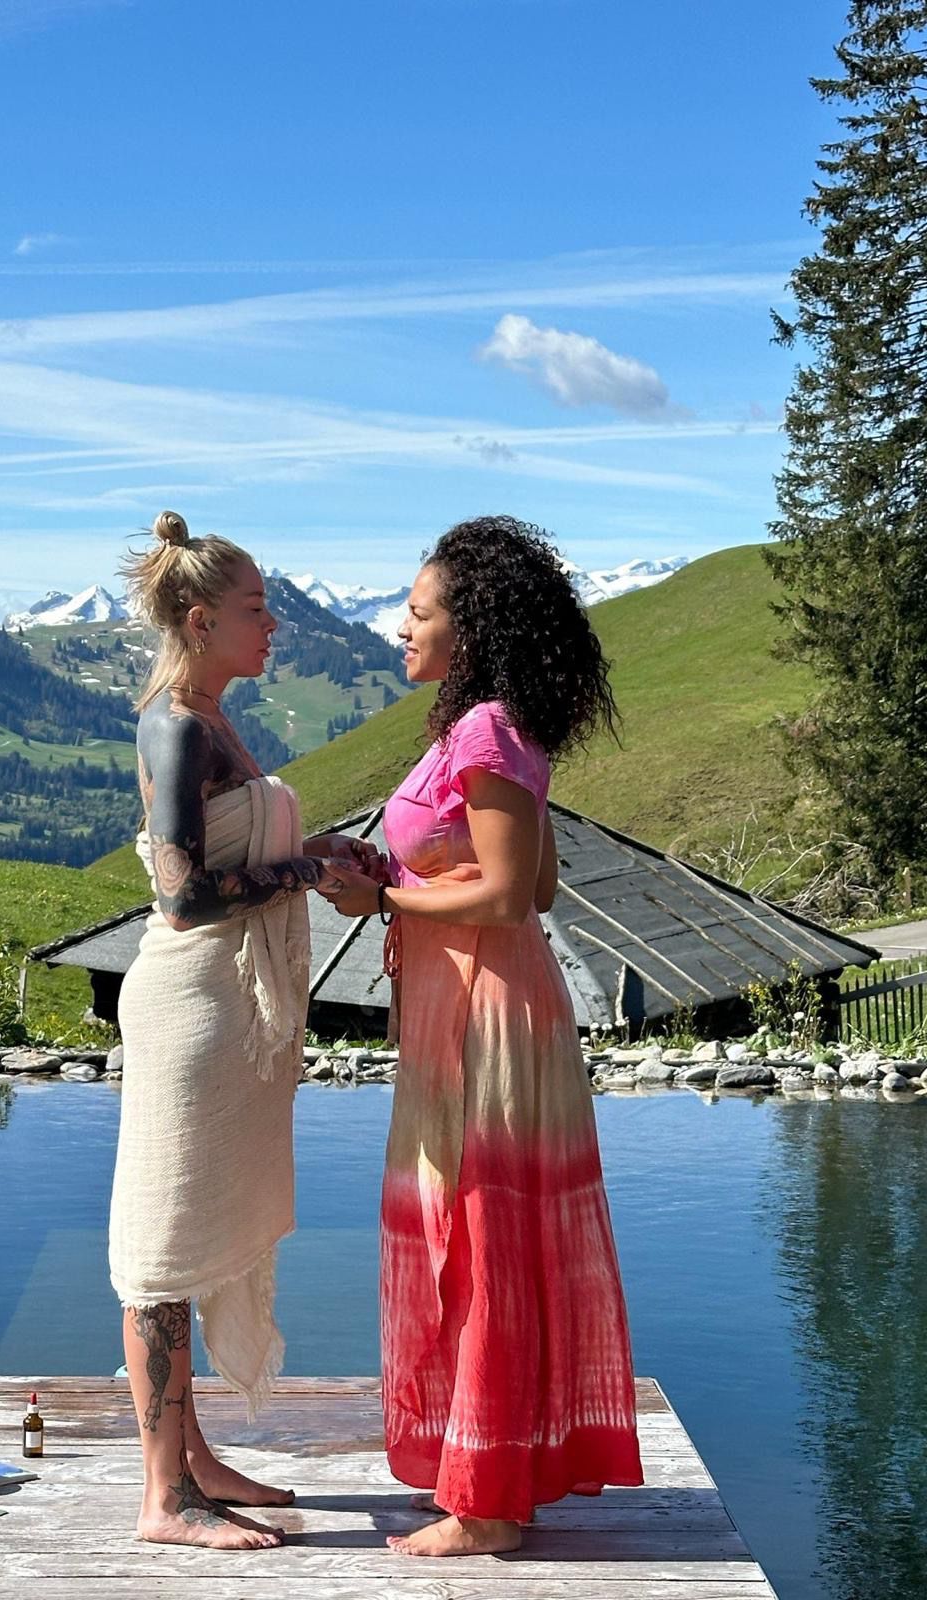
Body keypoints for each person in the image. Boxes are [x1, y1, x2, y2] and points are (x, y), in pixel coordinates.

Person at [320, 515, 643, 1557]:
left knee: (481, 1242)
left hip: (486, 1014)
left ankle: (492, 1507)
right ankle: (484, 1471)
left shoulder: (488, 731)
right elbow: (528, 881)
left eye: (417, 612)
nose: (399, 627)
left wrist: (385, 902)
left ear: (471, 628)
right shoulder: (490, 727)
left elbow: (510, 894)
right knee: (475, 1239)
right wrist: (392, 876)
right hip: (476, 1004)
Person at [109, 511, 378, 1551]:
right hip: (193, 1008)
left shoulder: (213, 719)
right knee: (164, 1246)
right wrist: (309, 870)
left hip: (228, 1014)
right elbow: (184, 894)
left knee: (194, 1236)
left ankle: (195, 1459)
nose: (274, 626)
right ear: (198, 619)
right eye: (257, 609)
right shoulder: (177, 725)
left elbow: (235, 845)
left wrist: (320, 848)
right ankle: (163, 1499)